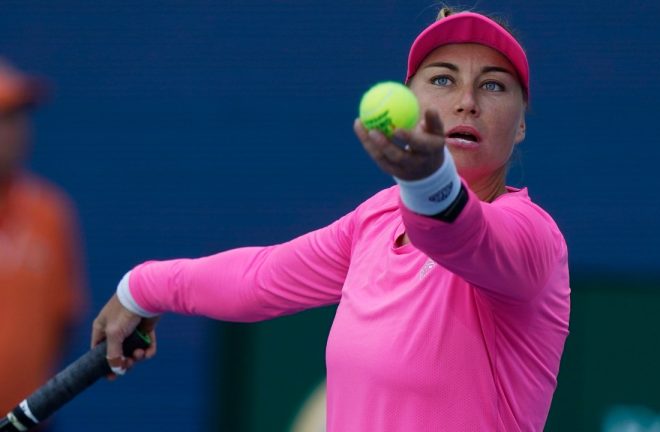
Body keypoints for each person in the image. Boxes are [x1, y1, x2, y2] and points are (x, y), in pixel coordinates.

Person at [92, 7, 570, 431]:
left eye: (493, 85)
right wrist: (142, 286)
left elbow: (463, 237)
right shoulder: (375, 220)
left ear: (522, 122)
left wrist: (431, 183)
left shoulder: (534, 238)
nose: (467, 100)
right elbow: (258, 278)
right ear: (410, 97)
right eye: (443, 79)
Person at [0, 59, 87, 429]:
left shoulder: (50, 212)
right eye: (3, 119)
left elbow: (65, 319)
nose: (16, 131)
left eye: (19, 117)